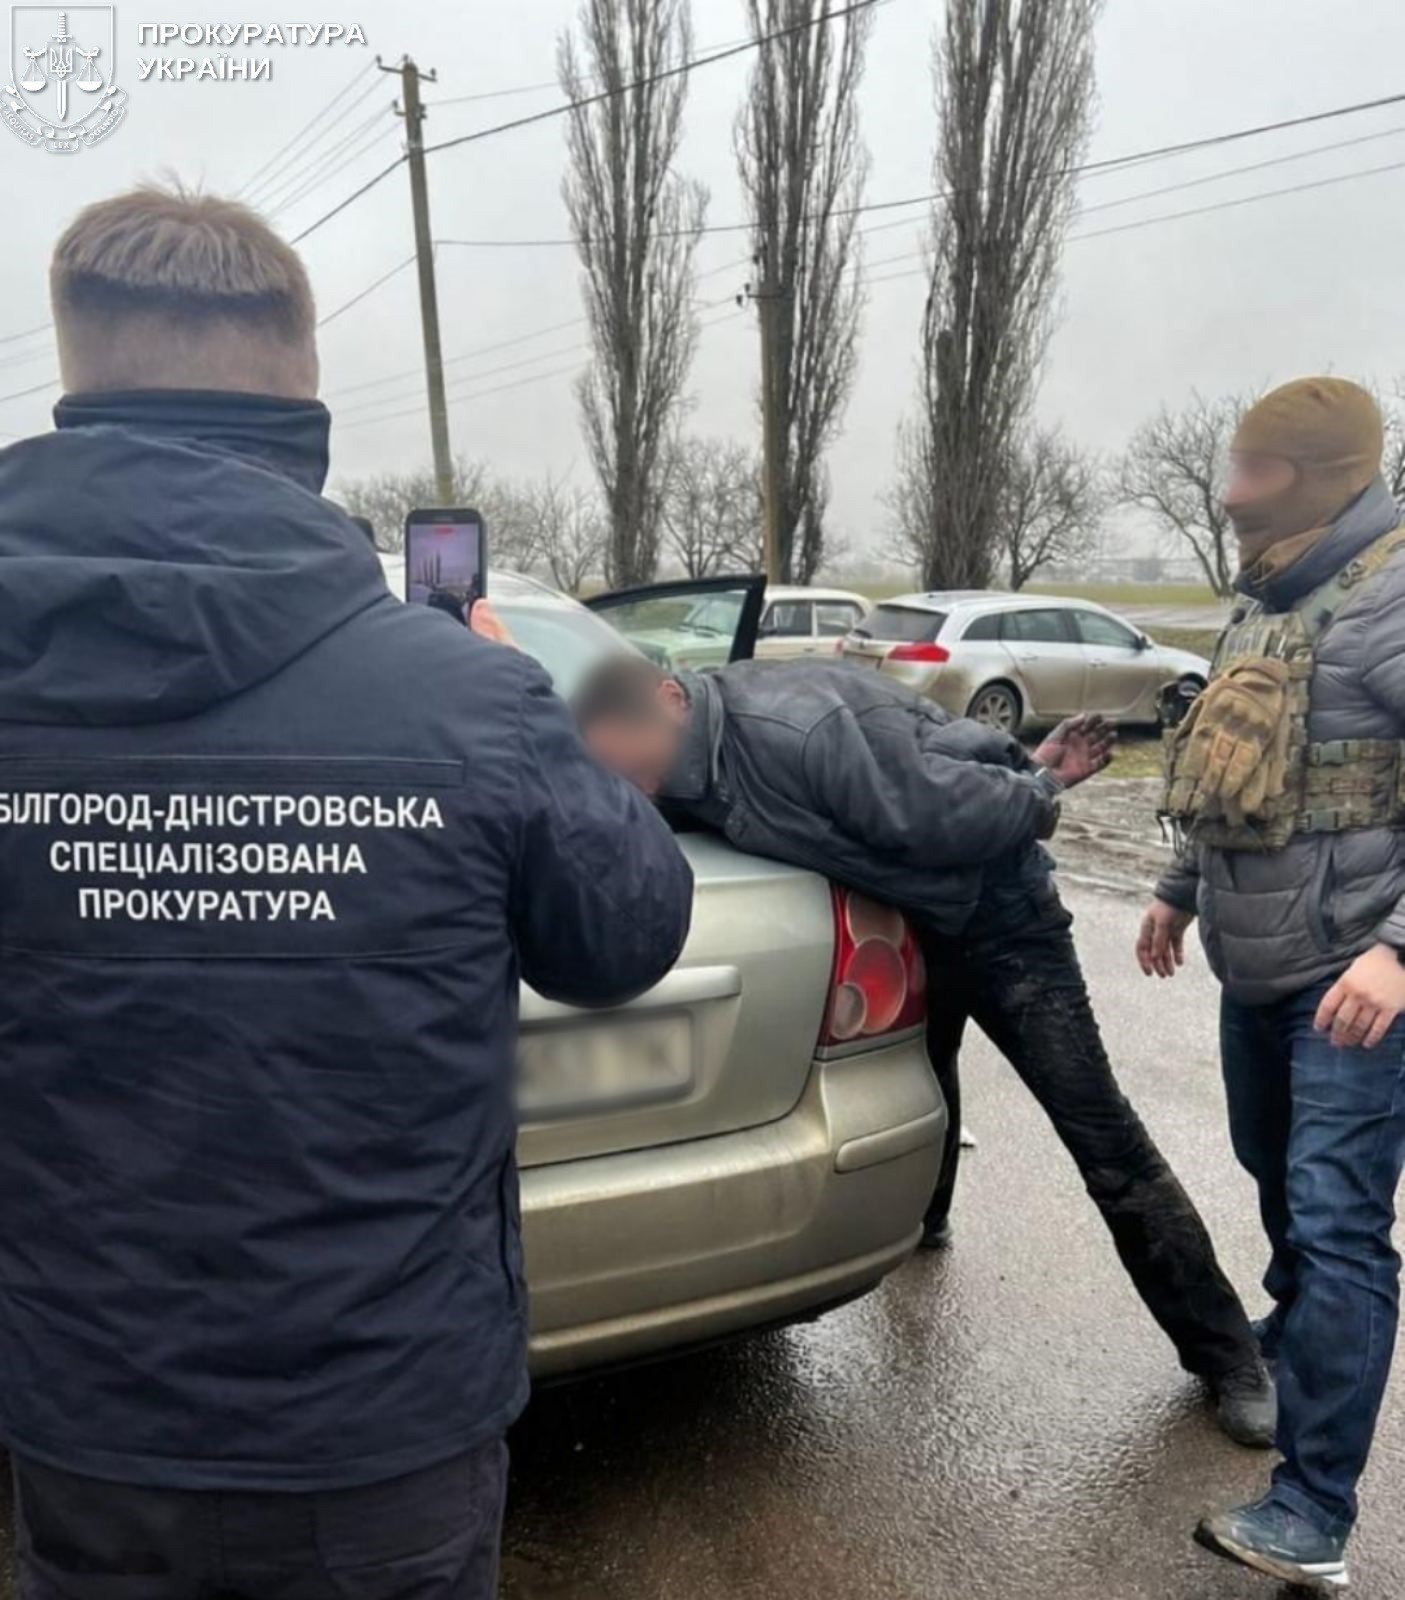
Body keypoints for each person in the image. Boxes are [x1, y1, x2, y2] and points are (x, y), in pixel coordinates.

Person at [0, 184, 694, 1600]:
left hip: (90, 1418)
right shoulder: (464, 695)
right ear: (304, 417)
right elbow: (626, 935)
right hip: (380, 1431)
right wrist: (518, 706)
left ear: (77, 389)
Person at [571, 650, 1274, 1446]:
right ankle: (926, 1221)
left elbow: (962, 814)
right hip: (911, 915)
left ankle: (1229, 1358)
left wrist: (1042, 785)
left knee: (1100, 1135)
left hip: (1000, 919)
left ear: (668, 701)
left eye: (633, 766)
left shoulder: (798, 732)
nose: (633, 787)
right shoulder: (678, 758)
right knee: (925, 1073)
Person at [1141, 376, 1405, 1592]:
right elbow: (1227, 764)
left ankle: (1313, 1508)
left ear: (1321, 474)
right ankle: (1298, 1332)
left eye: (1251, 470)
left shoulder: (1391, 595)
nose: (1229, 491)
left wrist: (1396, 950)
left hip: (1352, 973)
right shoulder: (1264, 599)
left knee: (1336, 1217)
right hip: (1254, 959)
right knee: (1275, 1179)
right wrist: (1173, 887)